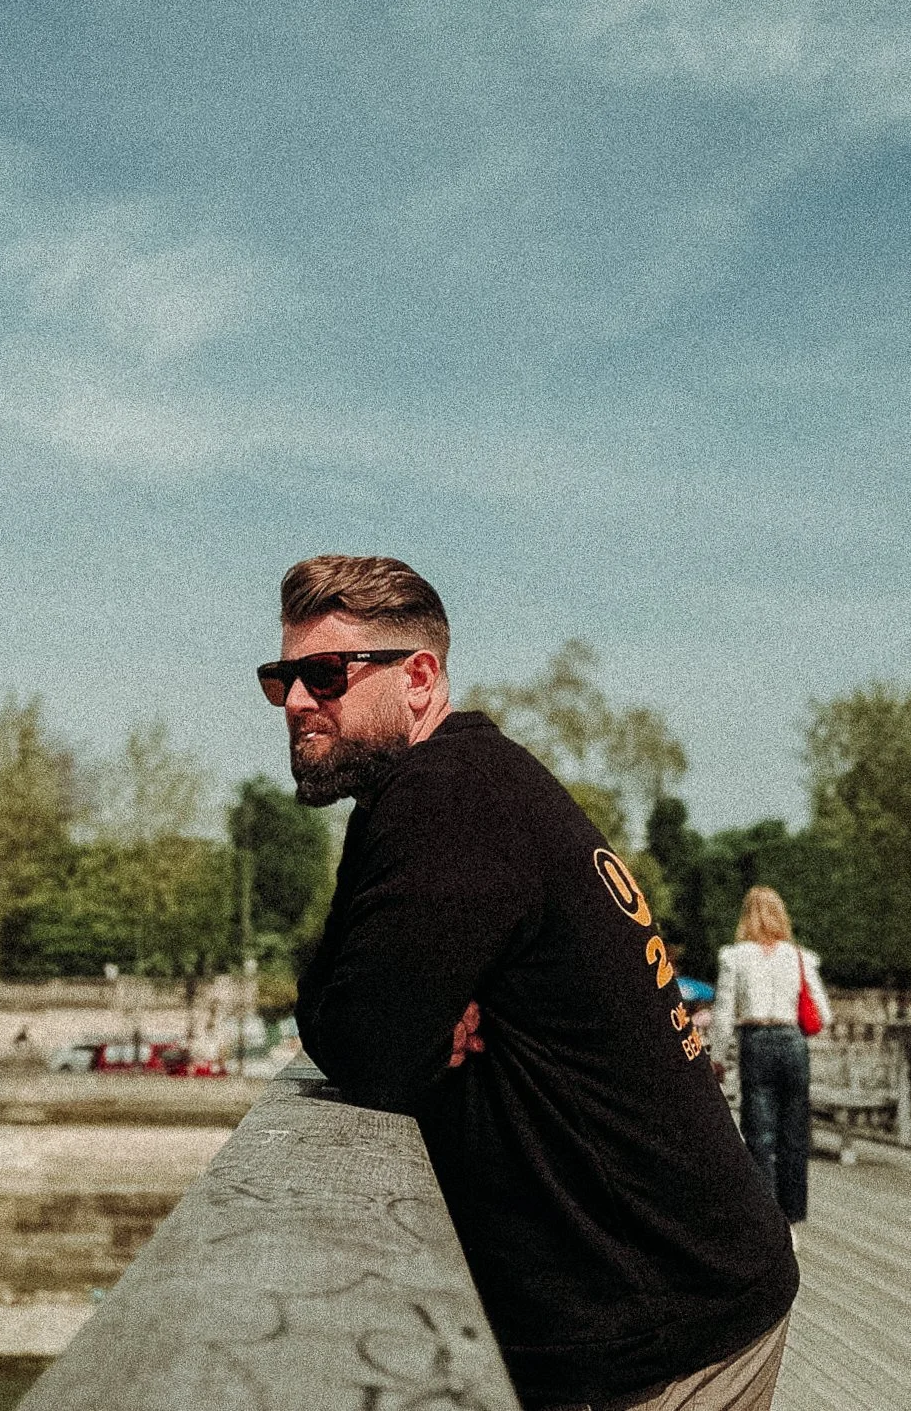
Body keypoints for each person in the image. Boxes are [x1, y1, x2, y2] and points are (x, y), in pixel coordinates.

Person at [263, 555, 798, 1411]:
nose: (295, 700)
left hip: (666, 1327)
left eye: (324, 673)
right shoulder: (442, 789)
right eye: (280, 677)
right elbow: (351, 1011)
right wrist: (395, 1013)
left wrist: (397, 1018)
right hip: (674, 1291)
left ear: (418, 676)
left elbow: (366, 1045)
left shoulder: (449, 796)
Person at [710, 887, 831, 1232]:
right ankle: (792, 1220)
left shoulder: (735, 957)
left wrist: (717, 1058)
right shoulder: (800, 957)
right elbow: (822, 1014)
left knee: (759, 1135)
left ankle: (766, 1221)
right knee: (794, 1135)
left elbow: (722, 1015)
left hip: (756, 1042)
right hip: (793, 1043)